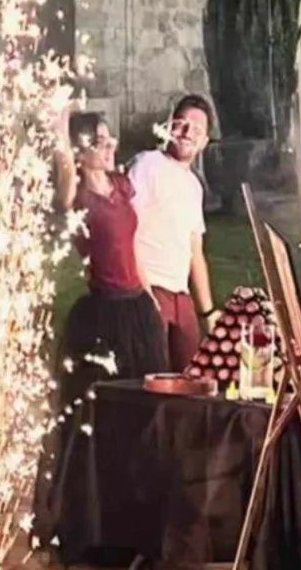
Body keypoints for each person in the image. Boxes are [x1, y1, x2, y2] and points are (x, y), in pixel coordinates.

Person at [51, 109, 170, 405]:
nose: (110, 147)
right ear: (80, 153)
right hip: (105, 313)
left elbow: (131, 246)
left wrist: (149, 294)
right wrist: (60, 118)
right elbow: (64, 164)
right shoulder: (77, 198)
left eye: (109, 139)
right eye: (99, 142)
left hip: (137, 305)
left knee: (145, 392)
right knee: (110, 396)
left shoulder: (121, 185)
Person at [128, 94, 220, 372]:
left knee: (191, 376)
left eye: (197, 129)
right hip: (149, 288)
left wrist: (208, 312)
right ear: (169, 126)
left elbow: (195, 253)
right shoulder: (147, 165)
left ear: (204, 141)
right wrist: (145, 293)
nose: (188, 132)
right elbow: (127, 231)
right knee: (153, 376)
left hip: (181, 295)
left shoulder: (194, 186)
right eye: (182, 123)